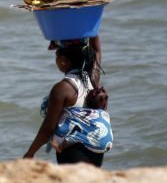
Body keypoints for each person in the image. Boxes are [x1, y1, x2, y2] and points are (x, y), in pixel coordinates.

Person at [24, 36, 109, 167]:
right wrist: (92, 27)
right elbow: (97, 50)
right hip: (95, 150)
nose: (56, 60)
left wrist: (30, 152)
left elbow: (48, 128)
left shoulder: (62, 88)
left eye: (57, 56)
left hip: (72, 152)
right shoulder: (93, 79)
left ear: (64, 61)